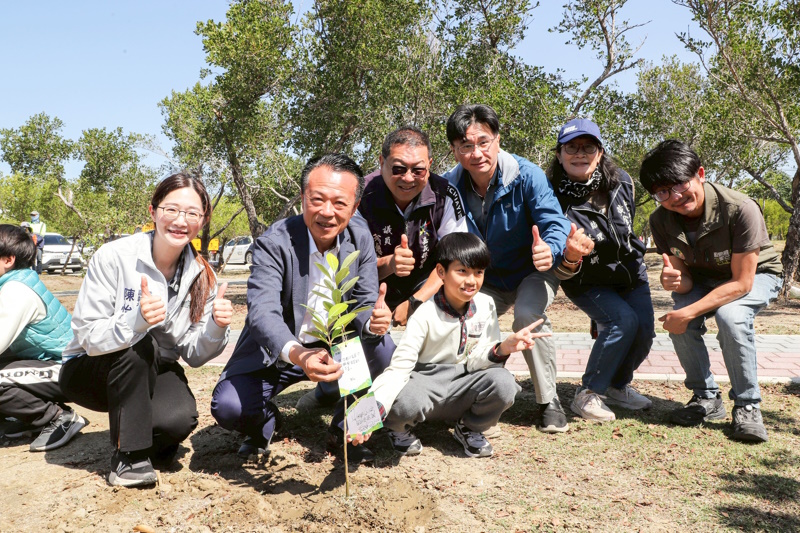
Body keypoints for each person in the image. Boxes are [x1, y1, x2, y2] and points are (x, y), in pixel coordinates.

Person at [210, 153, 395, 464]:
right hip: (282, 351)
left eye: (339, 203)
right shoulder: (275, 241)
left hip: (337, 346)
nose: (327, 212)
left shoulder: (359, 237)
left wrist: (373, 321)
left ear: (354, 206)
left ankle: (346, 431)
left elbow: (364, 302)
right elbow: (262, 312)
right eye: (317, 199)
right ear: (302, 197)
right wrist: (298, 353)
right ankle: (263, 425)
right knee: (229, 406)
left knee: (383, 348)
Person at [59, 173, 232, 487]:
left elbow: (193, 355)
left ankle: (138, 438)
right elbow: (87, 336)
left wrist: (217, 328)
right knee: (143, 344)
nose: (181, 220)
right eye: (171, 210)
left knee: (178, 420)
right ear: (153, 212)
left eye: (192, 213)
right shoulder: (114, 257)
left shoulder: (202, 276)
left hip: (152, 369)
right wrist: (135, 321)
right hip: (90, 368)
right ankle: (129, 459)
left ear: (203, 220)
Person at [640, 140, 783, 443]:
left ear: (700, 174)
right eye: (662, 192)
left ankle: (747, 407)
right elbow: (686, 279)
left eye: (680, 184)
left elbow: (742, 284)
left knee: (730, 317)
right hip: (705, 279)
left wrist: (688, 310)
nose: (675, 197)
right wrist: (675, 281)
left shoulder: (741, 209)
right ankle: (706, 398)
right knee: (679, 323)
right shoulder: (660, 221)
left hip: (757, 275)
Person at [443, 104, 571, 433]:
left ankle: (548, 400)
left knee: (528, 314)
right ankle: (477, 396)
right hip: (484, 277)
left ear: (497, 140)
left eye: (483, 142)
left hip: (532, 270)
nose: (476, 152)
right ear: (455, 150)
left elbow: (554, 224)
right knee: (470, 314)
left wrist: (550, 249)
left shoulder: (527, 176)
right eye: (466, 145)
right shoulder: (449, 187)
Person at [363, 233, 548, 457]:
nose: (471, 281)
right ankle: (397, 429)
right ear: (441, 272)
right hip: (425, 384)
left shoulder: (486, 304)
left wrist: (502, 348)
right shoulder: (424, 313)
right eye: (462, 271)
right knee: (403, 401)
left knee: (504, 383)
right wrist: (375, 406)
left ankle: (469, 428)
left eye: (478, 272)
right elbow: (400, 368)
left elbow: (478, 359)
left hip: (463, 382)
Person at [546, 119, 655, 422]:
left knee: (644, 331)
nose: (580, 154)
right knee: (622, 322)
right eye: (571, 147)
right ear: (559, 154)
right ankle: (588, 394)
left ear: (600, 152)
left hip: (631, 274)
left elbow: (627, 226)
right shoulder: (550, 195)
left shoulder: (623, 181)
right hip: (586, 278)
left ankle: (618, 386)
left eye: (588, 147)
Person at [357, 126, 468, 325]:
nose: (408, 178)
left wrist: (415, 302)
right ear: (382, 163)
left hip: (427, 285)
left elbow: (456, 260)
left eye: (418, 170)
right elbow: (351, 264)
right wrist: (389, 264)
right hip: (371, 286)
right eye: (398, 169)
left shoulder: (446, 195)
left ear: (430, 165)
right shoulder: (360, 195)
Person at [0, 224, 87, 451]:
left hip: (72, 370)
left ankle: (57, 417)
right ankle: (22, 417)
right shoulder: (12, 283)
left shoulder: (17, 291)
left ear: (8, 260)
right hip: (49, 364)